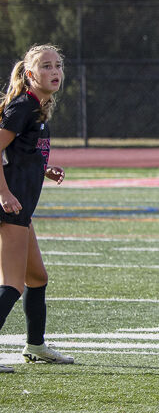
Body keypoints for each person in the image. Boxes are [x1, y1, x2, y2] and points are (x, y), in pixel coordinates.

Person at [0, 45, 75, 373]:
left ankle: (35, 345)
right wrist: (3, 193)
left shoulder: (38, 108)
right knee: (13, 283)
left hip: (20, 205)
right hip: (10, 206)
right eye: (45, 66)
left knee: (37, 277)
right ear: (30, 75)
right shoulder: (23, 107)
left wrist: (44, 168)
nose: (54, 71)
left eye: (57, 65)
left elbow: (18, 152)